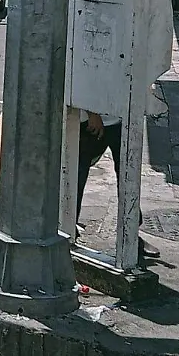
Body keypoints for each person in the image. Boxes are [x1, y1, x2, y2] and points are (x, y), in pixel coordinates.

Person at [74, 111, 161, 260]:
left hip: (123, 118)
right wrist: (92, 114)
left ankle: (131, 235)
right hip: (89, 120)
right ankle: (69, 226)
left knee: (128, 176)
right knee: (77, 176)